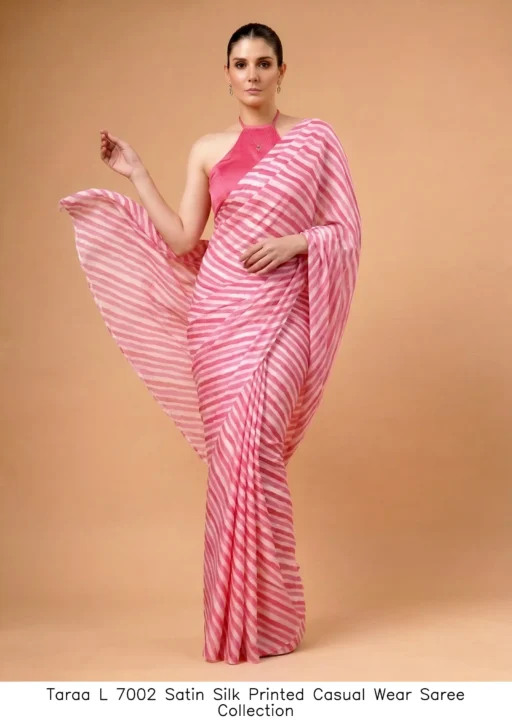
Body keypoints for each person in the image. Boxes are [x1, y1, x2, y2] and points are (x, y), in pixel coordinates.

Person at [59, 22, 362, 665]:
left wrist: (298, 243)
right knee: (232, 461)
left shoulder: (315, 141)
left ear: (282, 71)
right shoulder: (206, 149)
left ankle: (273, 615)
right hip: (218, 316)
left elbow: (346, 229)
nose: (252, 74)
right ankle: (239, 618)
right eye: (240, 64)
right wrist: (136, 172)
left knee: (258, 449)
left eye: (264, 63)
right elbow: (182, 238)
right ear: (227, 74)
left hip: (283, 312)